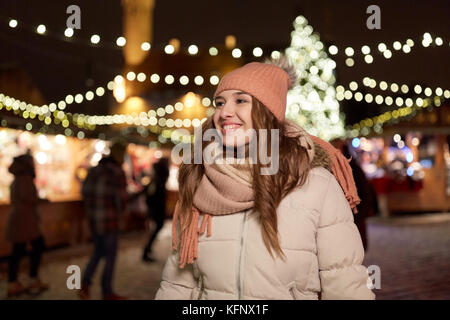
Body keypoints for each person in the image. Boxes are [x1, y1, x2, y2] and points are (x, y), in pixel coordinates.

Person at [155, 57, 375, 300]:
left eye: (240, 100)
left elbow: (344, 281)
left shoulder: (316, 183)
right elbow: (178, 284)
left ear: (267, 112)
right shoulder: (200, 182)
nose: (224, 112)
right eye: (220, 102)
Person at [79, 138, 128, 300]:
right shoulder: (117, 172)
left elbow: (84, 191)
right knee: (110, 256)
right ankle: (106, 291)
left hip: (94, 219)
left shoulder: (94, 170)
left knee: (98, 252)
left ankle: (85, 284)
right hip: (109, 220)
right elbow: (121, 199)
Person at [6, 153, 48, 297]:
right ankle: (30, 278)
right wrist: (41, 200)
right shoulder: (25, 178)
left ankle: (15, 281)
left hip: (21, 220)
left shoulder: (18, 178)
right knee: (36, 246)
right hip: (25, 221)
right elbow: (29, 198)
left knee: (18, 251)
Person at [141, 157, 170, 262]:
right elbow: (153, 193)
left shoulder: (157, 178)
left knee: (155, 228)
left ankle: (147, 249)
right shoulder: (159, 179)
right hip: (156, 207)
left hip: (155, 207)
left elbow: (148, 191)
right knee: (156, 227)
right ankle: (147, 250)